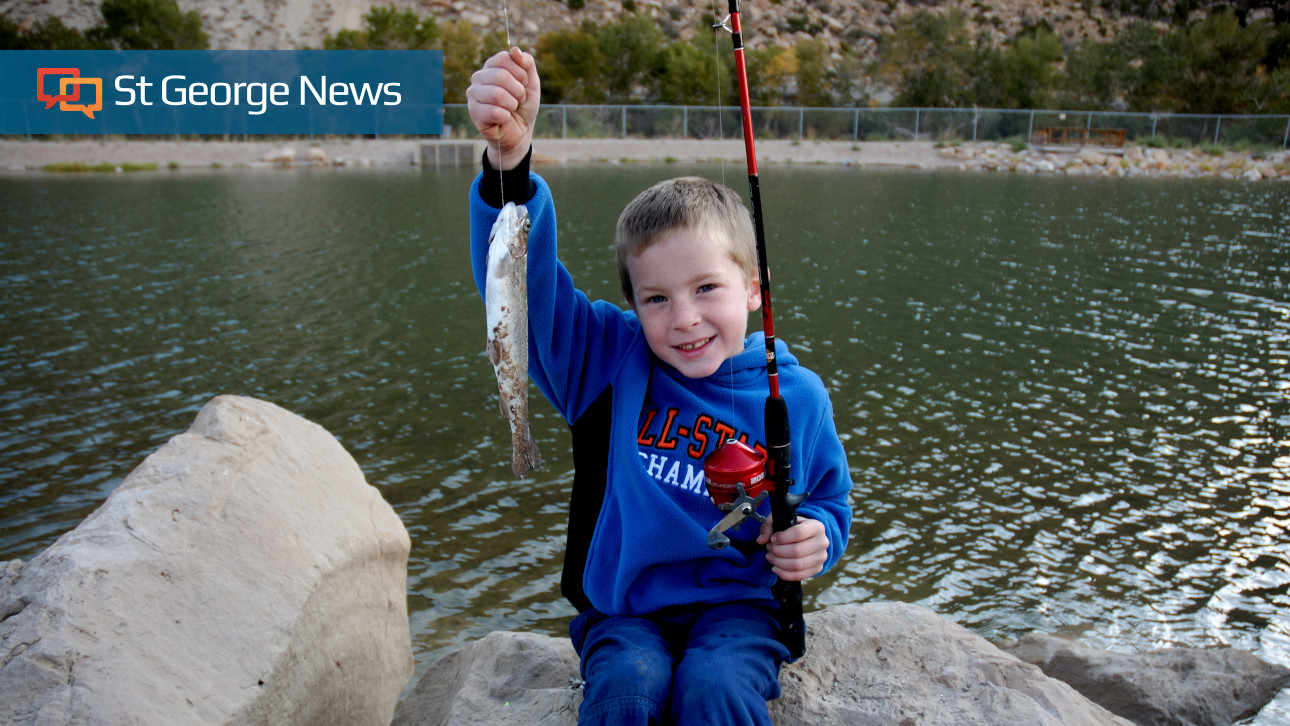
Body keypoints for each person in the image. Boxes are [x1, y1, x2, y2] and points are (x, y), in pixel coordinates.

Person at [467, 47, 853, 726]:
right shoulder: (607, 361)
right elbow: (521, 287)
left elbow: (827, 501)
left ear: (755, 290)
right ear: (632, 304)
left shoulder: (798, 397)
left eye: (708, 288)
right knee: (627, 689)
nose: (684, 319)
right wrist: (510, 162)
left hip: (741, 611)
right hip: (626, 611)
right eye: (656, 299)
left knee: (717, 690)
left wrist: (816, 535)